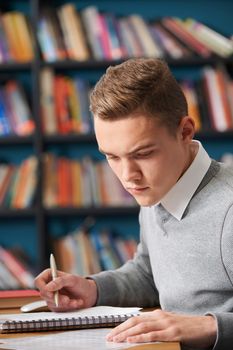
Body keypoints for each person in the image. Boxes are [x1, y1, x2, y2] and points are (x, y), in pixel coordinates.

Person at [35, 58, 233, 350]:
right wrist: (93, 289)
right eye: (112, 156)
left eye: (143, 154)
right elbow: (148, 273)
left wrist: (208, 325)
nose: (128, 177)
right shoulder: (159, 185)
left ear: (185, 132)